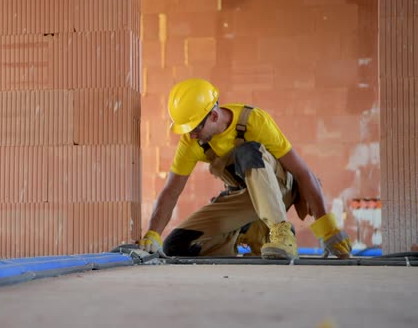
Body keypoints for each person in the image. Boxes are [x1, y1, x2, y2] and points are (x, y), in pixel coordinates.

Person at [138, 78, 352, 260]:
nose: (191, 135)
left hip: (279, 189)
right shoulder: (191, 142)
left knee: (247, 151)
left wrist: (328, 229)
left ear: (213, 115)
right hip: (243, 197)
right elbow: (171, 192)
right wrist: (153, 234)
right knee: (175, 246)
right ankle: (250, 231)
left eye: (195, 128)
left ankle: (280, 233)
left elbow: (302, 172)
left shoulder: (254, 121)